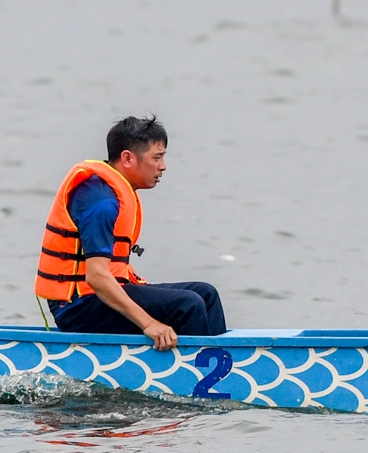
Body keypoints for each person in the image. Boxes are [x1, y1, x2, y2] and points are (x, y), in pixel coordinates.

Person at [35, 115, 226, 346]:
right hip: (77, 307)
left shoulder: (113, 192)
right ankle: (195, 375)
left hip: (100, 296)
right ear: (127, 159)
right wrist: (149, 324)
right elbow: (96, 277)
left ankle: (222, 362)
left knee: (206, 295)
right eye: (157, 158)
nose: (163, 166)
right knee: (189, 305)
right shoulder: (101, 203)